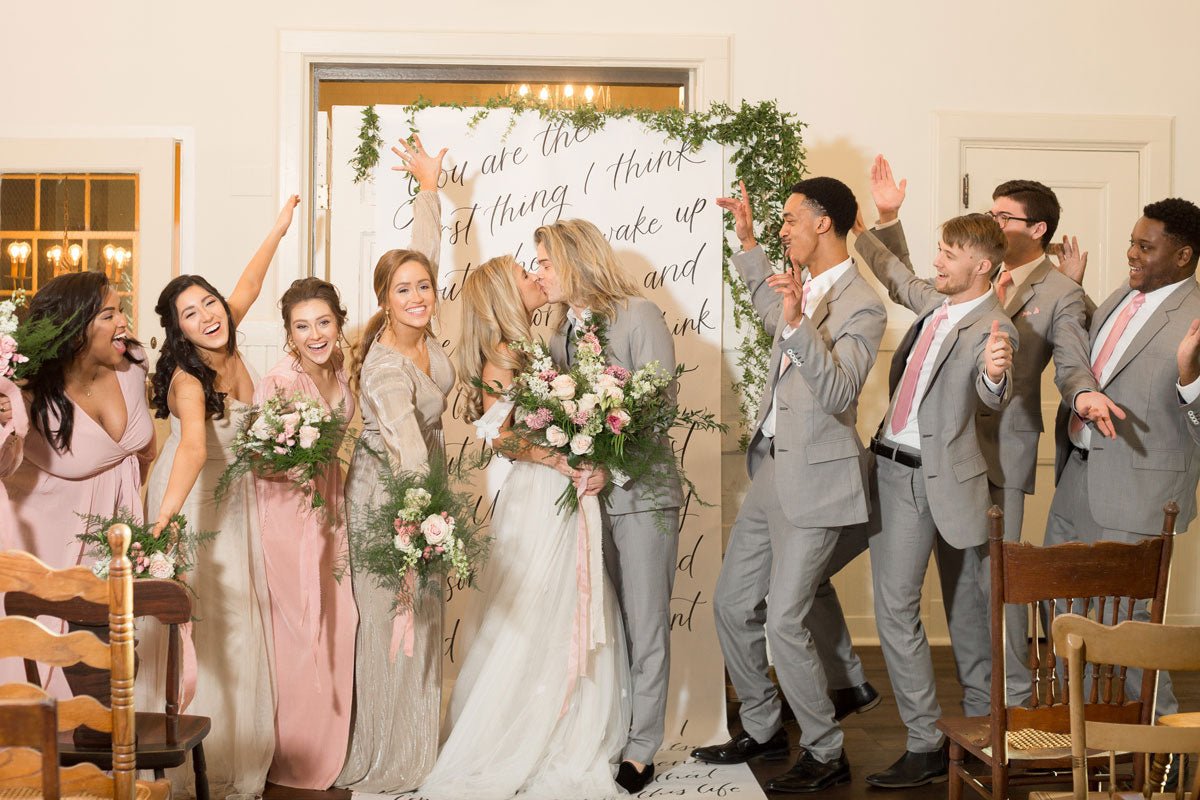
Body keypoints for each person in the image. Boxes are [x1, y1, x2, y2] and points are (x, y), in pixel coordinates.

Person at [866, 158, 1119, 705]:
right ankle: (981, 708)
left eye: (1005, 216)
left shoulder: (1061, 293)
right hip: (931, 455)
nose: (993, 220)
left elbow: (1076, 356)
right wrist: (886, 219)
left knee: (991, 592)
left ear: (1037, 231)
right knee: (958, 595)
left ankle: (1013, 705)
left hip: (997, 460)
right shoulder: (956, 285)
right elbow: (910, 281)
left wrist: (1082, 391)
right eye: (991, 211)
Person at [693, 177, 886, 793]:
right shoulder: (797, 284)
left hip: (821, 481)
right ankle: (764, 724)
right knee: (730, 604)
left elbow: (836, 394)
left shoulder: (864, 305)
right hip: (773, 468)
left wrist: (800, 325)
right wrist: (746, 240)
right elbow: (763, 298)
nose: (782, 229)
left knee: (784, 619)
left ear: (824, 222)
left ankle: (828, 752)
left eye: (788, 220)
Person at [419, 255, 628, 800]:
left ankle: (562, 723)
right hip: (537, 495)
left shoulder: (531, 345)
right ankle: (518, 734)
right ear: (504, 297)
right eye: (524, 275)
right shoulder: (503, 356)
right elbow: (500, 437)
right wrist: (562, 460)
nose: (536, 278)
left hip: (552, 490)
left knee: (562, 606)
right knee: (538, 610)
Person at [848, 212, 1017, 788]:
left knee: (969, 618)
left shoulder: (995, 330)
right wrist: (863, 224)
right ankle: (924, 742)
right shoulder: (933, 305)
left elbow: (992, 392)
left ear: (983, 266)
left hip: (949, 485)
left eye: (948, 253)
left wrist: (994, 376)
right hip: (893, 475)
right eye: (939, 249)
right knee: (896, 611)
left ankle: (979, 735)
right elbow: (896, 274)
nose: (937, 261)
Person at [141, 195, 300, 800]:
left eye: (208, 301)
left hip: (232, 498)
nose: (208, 314)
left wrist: (278, 230)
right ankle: (191, 758)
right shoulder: (187, 378)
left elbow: (250, 283)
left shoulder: (225, 326)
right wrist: (161, 525)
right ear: (177, 330)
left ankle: (237, 747)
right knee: (210, 623)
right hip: (193, 501)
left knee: (236, 623)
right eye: (190, 312)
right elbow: (190, 452)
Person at [534, 218, 681, 794]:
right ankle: (614, 727)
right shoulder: (558, 335)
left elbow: (660, 406)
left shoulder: (638, 314)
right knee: (607, 623)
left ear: (573, 260)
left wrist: (609, 466)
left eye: (545, 262)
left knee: (645, 623)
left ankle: (642, 748)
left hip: (643, 494)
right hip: (590, 501)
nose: (539, 272)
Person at [1045, 197, 1200, 720]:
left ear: (1183, 256)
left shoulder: (1196, 318)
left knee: (1129, 627)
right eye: (1132, 241)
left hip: (1141, 495)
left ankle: (1165, 739)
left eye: (1144, 246)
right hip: (1077, 479)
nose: (1130, 252)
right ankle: (1088, 730)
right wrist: (1073, 289)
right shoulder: (1119, 296)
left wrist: (1190, 379)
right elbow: (1106, 361)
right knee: (1063, 610)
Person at [336, 135, 450, 794]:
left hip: (420, 490)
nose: (417, 295)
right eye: (403, 290)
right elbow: (408, 453)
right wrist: (428, 522)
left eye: (424, 287)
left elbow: (421, 258)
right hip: (393, 505)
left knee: (423, 622)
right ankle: (393, 756)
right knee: (394, 625)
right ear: (383, 300)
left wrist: (429, 189)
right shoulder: (383, 369)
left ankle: (418, 739)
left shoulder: (421, 326)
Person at [5, 272, 155, 696]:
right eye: (109, 314)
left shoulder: (133, 365)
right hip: (47, 549)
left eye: (121, 310)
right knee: (47, 674)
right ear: (73, 329)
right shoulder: (27, 390)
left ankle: (108, 761)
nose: (124, 322)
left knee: (109, 674)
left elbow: (146, 447)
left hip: (114, 544)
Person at [253, 277, 358, 790]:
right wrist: (296, 464)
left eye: (323, 322)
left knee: (341, 620)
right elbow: (259, 461)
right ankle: (295, 758)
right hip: (289, 517)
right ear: (288, 333)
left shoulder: (341, 366)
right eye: (302, 326)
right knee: (299, 631)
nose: (315, 334)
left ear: (338, 322)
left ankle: (329, 746)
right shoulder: (279, 381)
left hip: (332, 510)